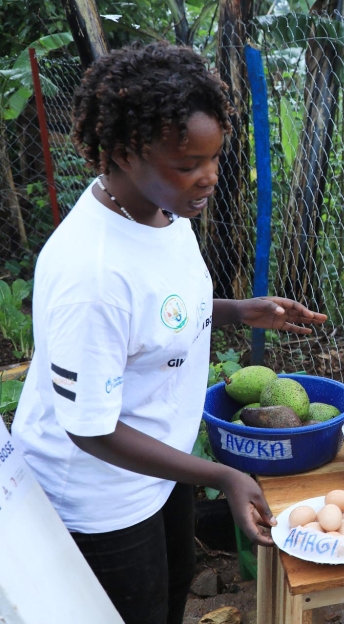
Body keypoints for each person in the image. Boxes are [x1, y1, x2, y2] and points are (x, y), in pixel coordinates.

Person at [11, 42, 327, 624]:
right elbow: (92, 430)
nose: (207, 178)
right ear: (125, 152)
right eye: (187, 165)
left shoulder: (162, 208)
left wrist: (235, 310)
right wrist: (223, 474)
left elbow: (162, 307)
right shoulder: (93, 272)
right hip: (98, 493)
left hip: (160, 465)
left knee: (173, 591)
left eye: (213, 158)